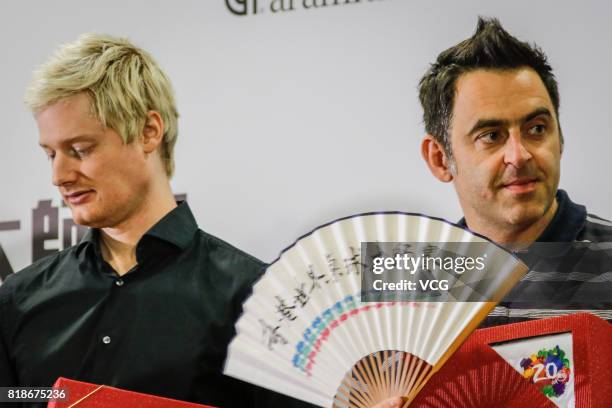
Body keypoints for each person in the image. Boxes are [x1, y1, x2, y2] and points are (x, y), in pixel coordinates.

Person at [0, 34, 314, 407]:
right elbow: (13, 396)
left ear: (149, 131)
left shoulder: (254, 299)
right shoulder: (18, 299)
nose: (60, 175)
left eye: (80, 150)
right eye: (50, 154)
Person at [418, 17, 612, 327]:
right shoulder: (405, 283)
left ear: (560, 138)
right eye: (491, 136)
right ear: (440, 159)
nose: (519, 156)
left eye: (536, 129)